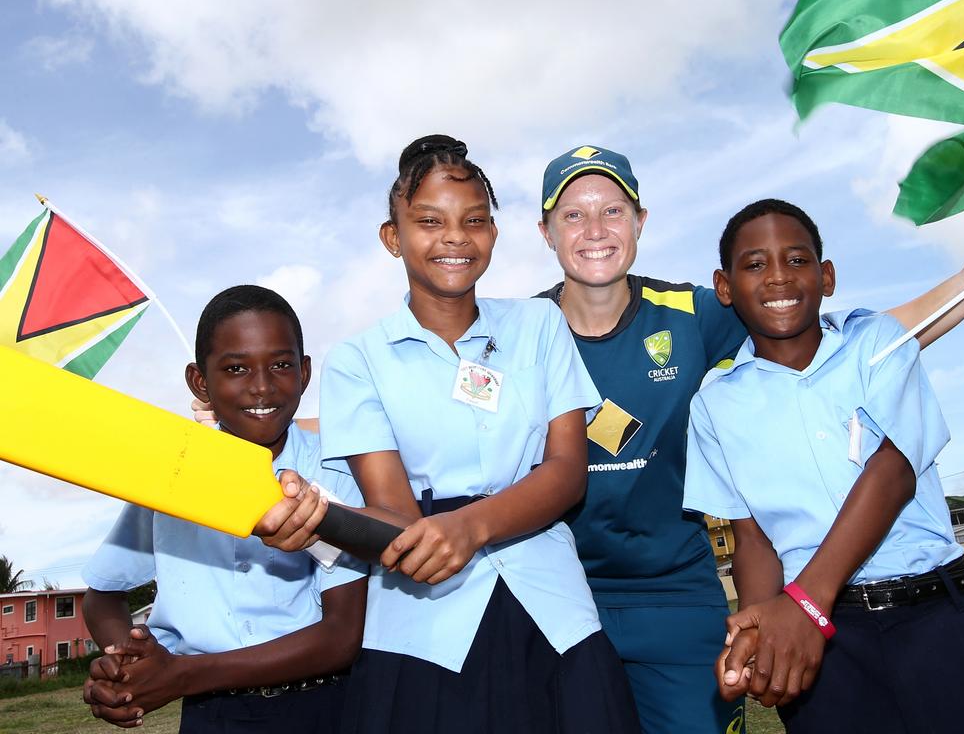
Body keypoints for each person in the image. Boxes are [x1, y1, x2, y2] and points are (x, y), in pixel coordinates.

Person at [534, 146, 964, 734]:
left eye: (612, 211)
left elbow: (843, 343)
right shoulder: (519, 333)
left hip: (675, 591)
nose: (594, 230)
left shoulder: (693, 311)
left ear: (640, 221)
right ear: (545, 231)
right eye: (572, 215)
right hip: (564, 592)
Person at [263, 135, 640, 733]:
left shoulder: (539, 325)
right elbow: (391, 510)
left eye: (474, 221)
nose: (455, 238)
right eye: (429, 221)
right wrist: (319, 518)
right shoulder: (358, 360)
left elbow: (567, 472)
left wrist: (471, 526)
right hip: (425, 630)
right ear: (394, 237)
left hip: (554, 612)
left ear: (493, 233)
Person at [682, 199, 964, 733]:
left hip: (938, 620)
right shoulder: (714, 404)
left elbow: (893, 471)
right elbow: (752, 540)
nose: (777, 277)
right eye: (754, 264)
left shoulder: (880, 346)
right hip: (825, 650)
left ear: (827, 276)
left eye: (797, 260)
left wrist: (804, 606)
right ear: (724, 287)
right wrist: (759, 626)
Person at [81, 285, 368, 733]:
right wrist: (130, 665)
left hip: (321, 706)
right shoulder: (169, 478)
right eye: (236, 368)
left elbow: (341, 637)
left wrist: (181, 674)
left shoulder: (334, 472)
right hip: (210, 716)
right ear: (201, 382)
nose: (261, 386)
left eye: (281, 365)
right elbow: (102, 595)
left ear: (305, 372)